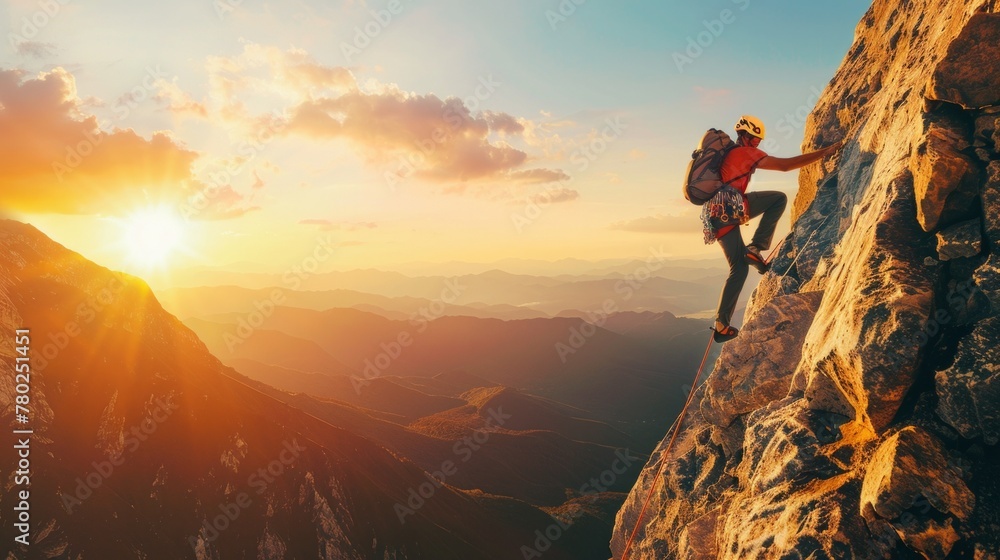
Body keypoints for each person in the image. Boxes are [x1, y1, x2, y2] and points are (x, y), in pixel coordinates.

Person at [712, 115, 842, 343]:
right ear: (749, 137)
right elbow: (784, 166)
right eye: (756, 140)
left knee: (738, 269)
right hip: (732, 207)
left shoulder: (728, 155)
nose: (758, 145)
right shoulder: (745, 152)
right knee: (778, 198)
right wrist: (825, 152)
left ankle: (721, 325)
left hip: (716, 215)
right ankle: (756, 247)